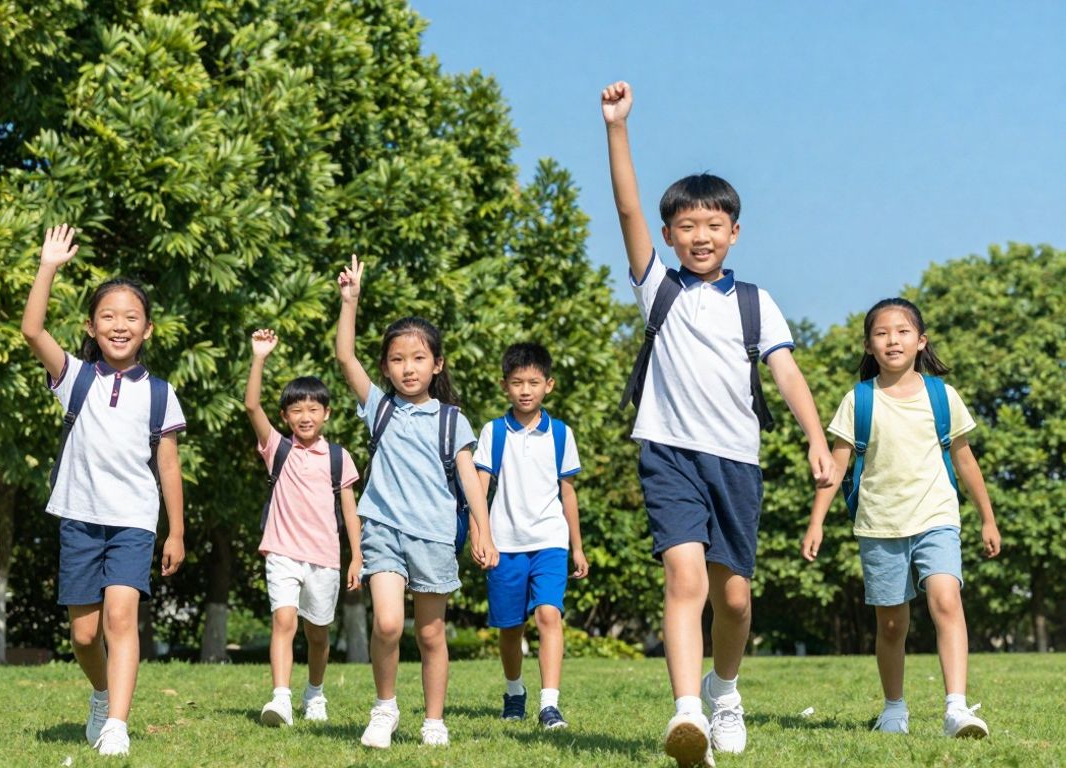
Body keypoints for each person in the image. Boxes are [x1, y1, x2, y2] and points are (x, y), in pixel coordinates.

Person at [601, 80, 836, 767]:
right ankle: (687, 716)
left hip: (736, 461)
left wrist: (817, 439)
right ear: (671, 235)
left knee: (733, 600)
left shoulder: (757, 305)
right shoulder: (659, 289)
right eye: (686, 226)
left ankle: (723, 691)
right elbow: (625, 206)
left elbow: (787, 375)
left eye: (713, 225)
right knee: (685, 581)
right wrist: (618, 128)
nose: (699, 236)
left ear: (734, 232)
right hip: (669, 453)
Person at [21, 224, 187, 757]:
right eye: (108, 317)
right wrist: (48, 265)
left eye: (131, 318)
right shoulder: (76, 377)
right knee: (85, 636)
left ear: (148, 330)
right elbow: (31, 330)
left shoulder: (161, 394)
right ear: (91, 326)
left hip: (134, 520)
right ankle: (99, 693)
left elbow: (168, 467)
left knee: (121, 617)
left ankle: (117, 722)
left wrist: (175, 532)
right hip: (78, 515)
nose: (119, 325)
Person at [803, 297, 1000, 739]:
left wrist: (987, 518)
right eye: (881, 333)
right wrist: (816, 521)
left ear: (921, 341)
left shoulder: (942, 396)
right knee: (892, 624)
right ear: (869, 346)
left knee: (946, 599)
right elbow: (836, 467)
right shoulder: (859, 400)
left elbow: (965, 460)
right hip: (880, 524)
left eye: (903, 331)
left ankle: (957, 709)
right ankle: (894, 708)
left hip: (937, 516)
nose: (893, 339)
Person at [335, 254, 499, 748]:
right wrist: (351, 302)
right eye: (398, 359)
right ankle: (384, 708)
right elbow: (345, 356)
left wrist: (482, 529)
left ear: (437, 364)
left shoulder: (453, 420)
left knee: (430, 636)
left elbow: (471, 482)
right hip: (382, 528)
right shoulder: (378, 408)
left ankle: (433, 720)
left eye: (419, 358)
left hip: (432, 536)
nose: (408, 368)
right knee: (386, 623)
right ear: (386, 366)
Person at [243, 328, 363, 727]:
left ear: (326, 413)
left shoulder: (338, 457)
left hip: (325, 558)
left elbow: (349, 510)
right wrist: (259, 357)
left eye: (313, 409)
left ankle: (314, 692)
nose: (305, 416)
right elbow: (251, 406)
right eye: (296, 410)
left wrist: (356, 558)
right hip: (282, 551)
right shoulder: (278, 449)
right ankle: (280, 698)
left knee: (317, 633)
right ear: (285, 417)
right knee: (284, 620)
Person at [474, 342, 588, 730]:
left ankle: (549, 704)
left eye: (534, 382)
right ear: (505, 385)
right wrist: (480, 534)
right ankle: (514, 691)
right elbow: (480, 486)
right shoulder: (493, 432)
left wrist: (577, 546)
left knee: (548, 614)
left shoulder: (560, 434)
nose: (526, 390)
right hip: (504, 543)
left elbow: (567, 491)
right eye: (517, 382)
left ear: (548, 385)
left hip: (550, 541)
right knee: (510, 628)